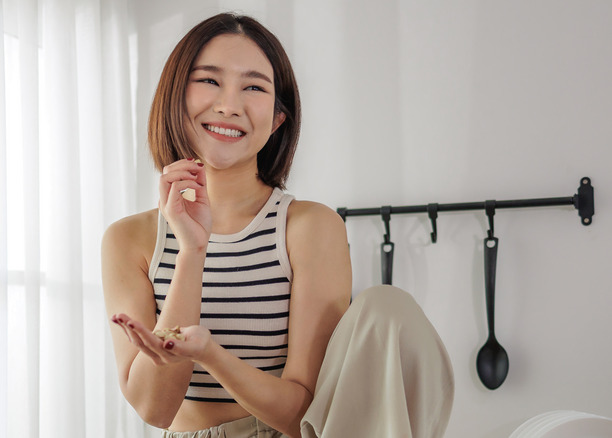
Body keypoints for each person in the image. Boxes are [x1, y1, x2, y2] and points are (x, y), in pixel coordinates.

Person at [102, 13, 454, 438]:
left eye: (254, 87)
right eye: (210, 81)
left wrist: (212, 354)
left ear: (277, 119)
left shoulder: (307, 226)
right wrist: (192, 250)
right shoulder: (129, 240)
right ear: (175, 96)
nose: (229, 105)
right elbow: (154, 409)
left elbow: (302, 413)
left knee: (387, 305)